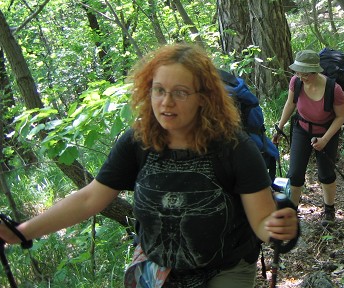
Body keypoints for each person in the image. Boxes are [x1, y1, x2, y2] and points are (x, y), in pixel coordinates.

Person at [0, 43, 298, 288]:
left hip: (224, 268)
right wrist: (22, 232)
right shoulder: (138, 141)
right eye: (159, 90)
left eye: (180, 92)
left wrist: (279, 228)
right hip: (157, 266)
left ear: (203, 98)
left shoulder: (235, 147)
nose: (166, 102)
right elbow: (90, 198)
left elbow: (262, 223)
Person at [274, 50, 344, 223]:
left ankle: (329, 210)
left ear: (315, 71)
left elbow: (341, 116)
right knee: (295, 174)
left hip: (326, 131)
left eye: (305, 73)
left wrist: (325, 140)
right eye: (298, 72)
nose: (301, 76)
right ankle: (292, 212)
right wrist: (280, 127)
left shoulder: (334, 89)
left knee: (326, 173)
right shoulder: (296, 81)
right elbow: (290, 103)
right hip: (302, 128)